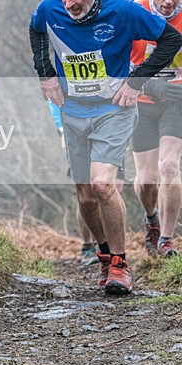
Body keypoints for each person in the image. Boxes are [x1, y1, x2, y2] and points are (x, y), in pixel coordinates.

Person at [30, 0, 182, 295]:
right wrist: (45, 73)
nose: (69, 3)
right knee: (85, 196)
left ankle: (119, 263)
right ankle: (102, 252)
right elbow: (37, 30)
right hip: (72, 111)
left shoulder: (124, 11)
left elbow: (171, 40)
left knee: (103, 185)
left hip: (114, 110)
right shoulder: (49, 8)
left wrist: (136, 81)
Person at [130, 0, 182, 258]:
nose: (169, 1)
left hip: (176, 103)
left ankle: (166, 239)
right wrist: (148, 85)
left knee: (169, 166)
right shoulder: (135, 12)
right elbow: (115, 60)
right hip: (142, 102)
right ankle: (151, 218)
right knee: (147, 179)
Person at [48, 99, 125, 267]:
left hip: (110, 121)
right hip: (74, 123)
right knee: (86, 196)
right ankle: (89, 245)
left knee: (109, 187)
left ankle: (116, 254)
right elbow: (54, 96)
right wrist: (61, 127)